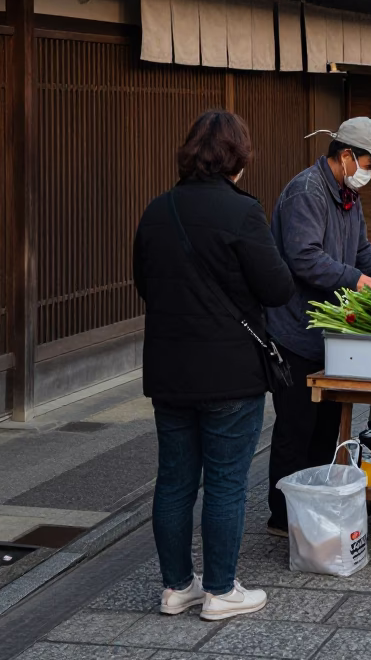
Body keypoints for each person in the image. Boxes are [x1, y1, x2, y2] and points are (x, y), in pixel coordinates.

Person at [133, 111, 294, 621]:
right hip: (230, 371)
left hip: (169, 369)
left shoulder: (158, 211)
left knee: (175, 480)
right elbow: (277, 288)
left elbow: (144, 282)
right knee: (226, 481)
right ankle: (221, 591)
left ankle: (177, 587)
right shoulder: (243, 213)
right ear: (238, 158)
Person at [266, 117, 371, 536]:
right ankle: (283, 516)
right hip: (295, 331)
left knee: (326, 426)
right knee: (296, 428)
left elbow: (361, 252)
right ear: (345, 156)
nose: (370, 171)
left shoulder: (347, 196)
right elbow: (303, 258)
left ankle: (312, 505)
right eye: (368, 162)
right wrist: (356, 279)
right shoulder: (306, 193)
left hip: (329, 334)